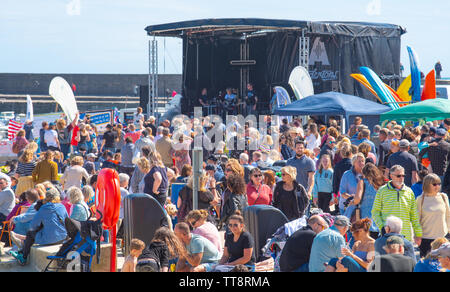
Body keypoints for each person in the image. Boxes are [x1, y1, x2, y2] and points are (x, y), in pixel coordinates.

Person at [9, 188, 68, 266]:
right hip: (63, 238)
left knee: (30, 233)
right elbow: (67, 221)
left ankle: (23, 256)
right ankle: (22, 246)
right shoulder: (62, 206)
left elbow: (34, 225)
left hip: (50, 240)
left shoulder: (43, 208)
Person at [372, 165, 423, 244]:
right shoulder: (382, 191)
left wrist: (418, 234)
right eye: (398, 176)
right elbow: (375, 212)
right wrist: (382, 228)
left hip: (405, 237)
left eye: (403, 175)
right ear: (391, 176)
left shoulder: (409, 192)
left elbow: (414, 215)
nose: (401, 178)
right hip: (388, 236)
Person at [416, 174, 450, 258]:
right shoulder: (420, 199)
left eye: (439, 184)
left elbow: (448, 216)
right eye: (434, 184)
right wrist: (417, 236)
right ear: (427, 185)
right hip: (426, 239)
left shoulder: (443, 197)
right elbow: (416, 220)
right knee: (427, 265)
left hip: (442, 238)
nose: (437, 186)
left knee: (443, 266)